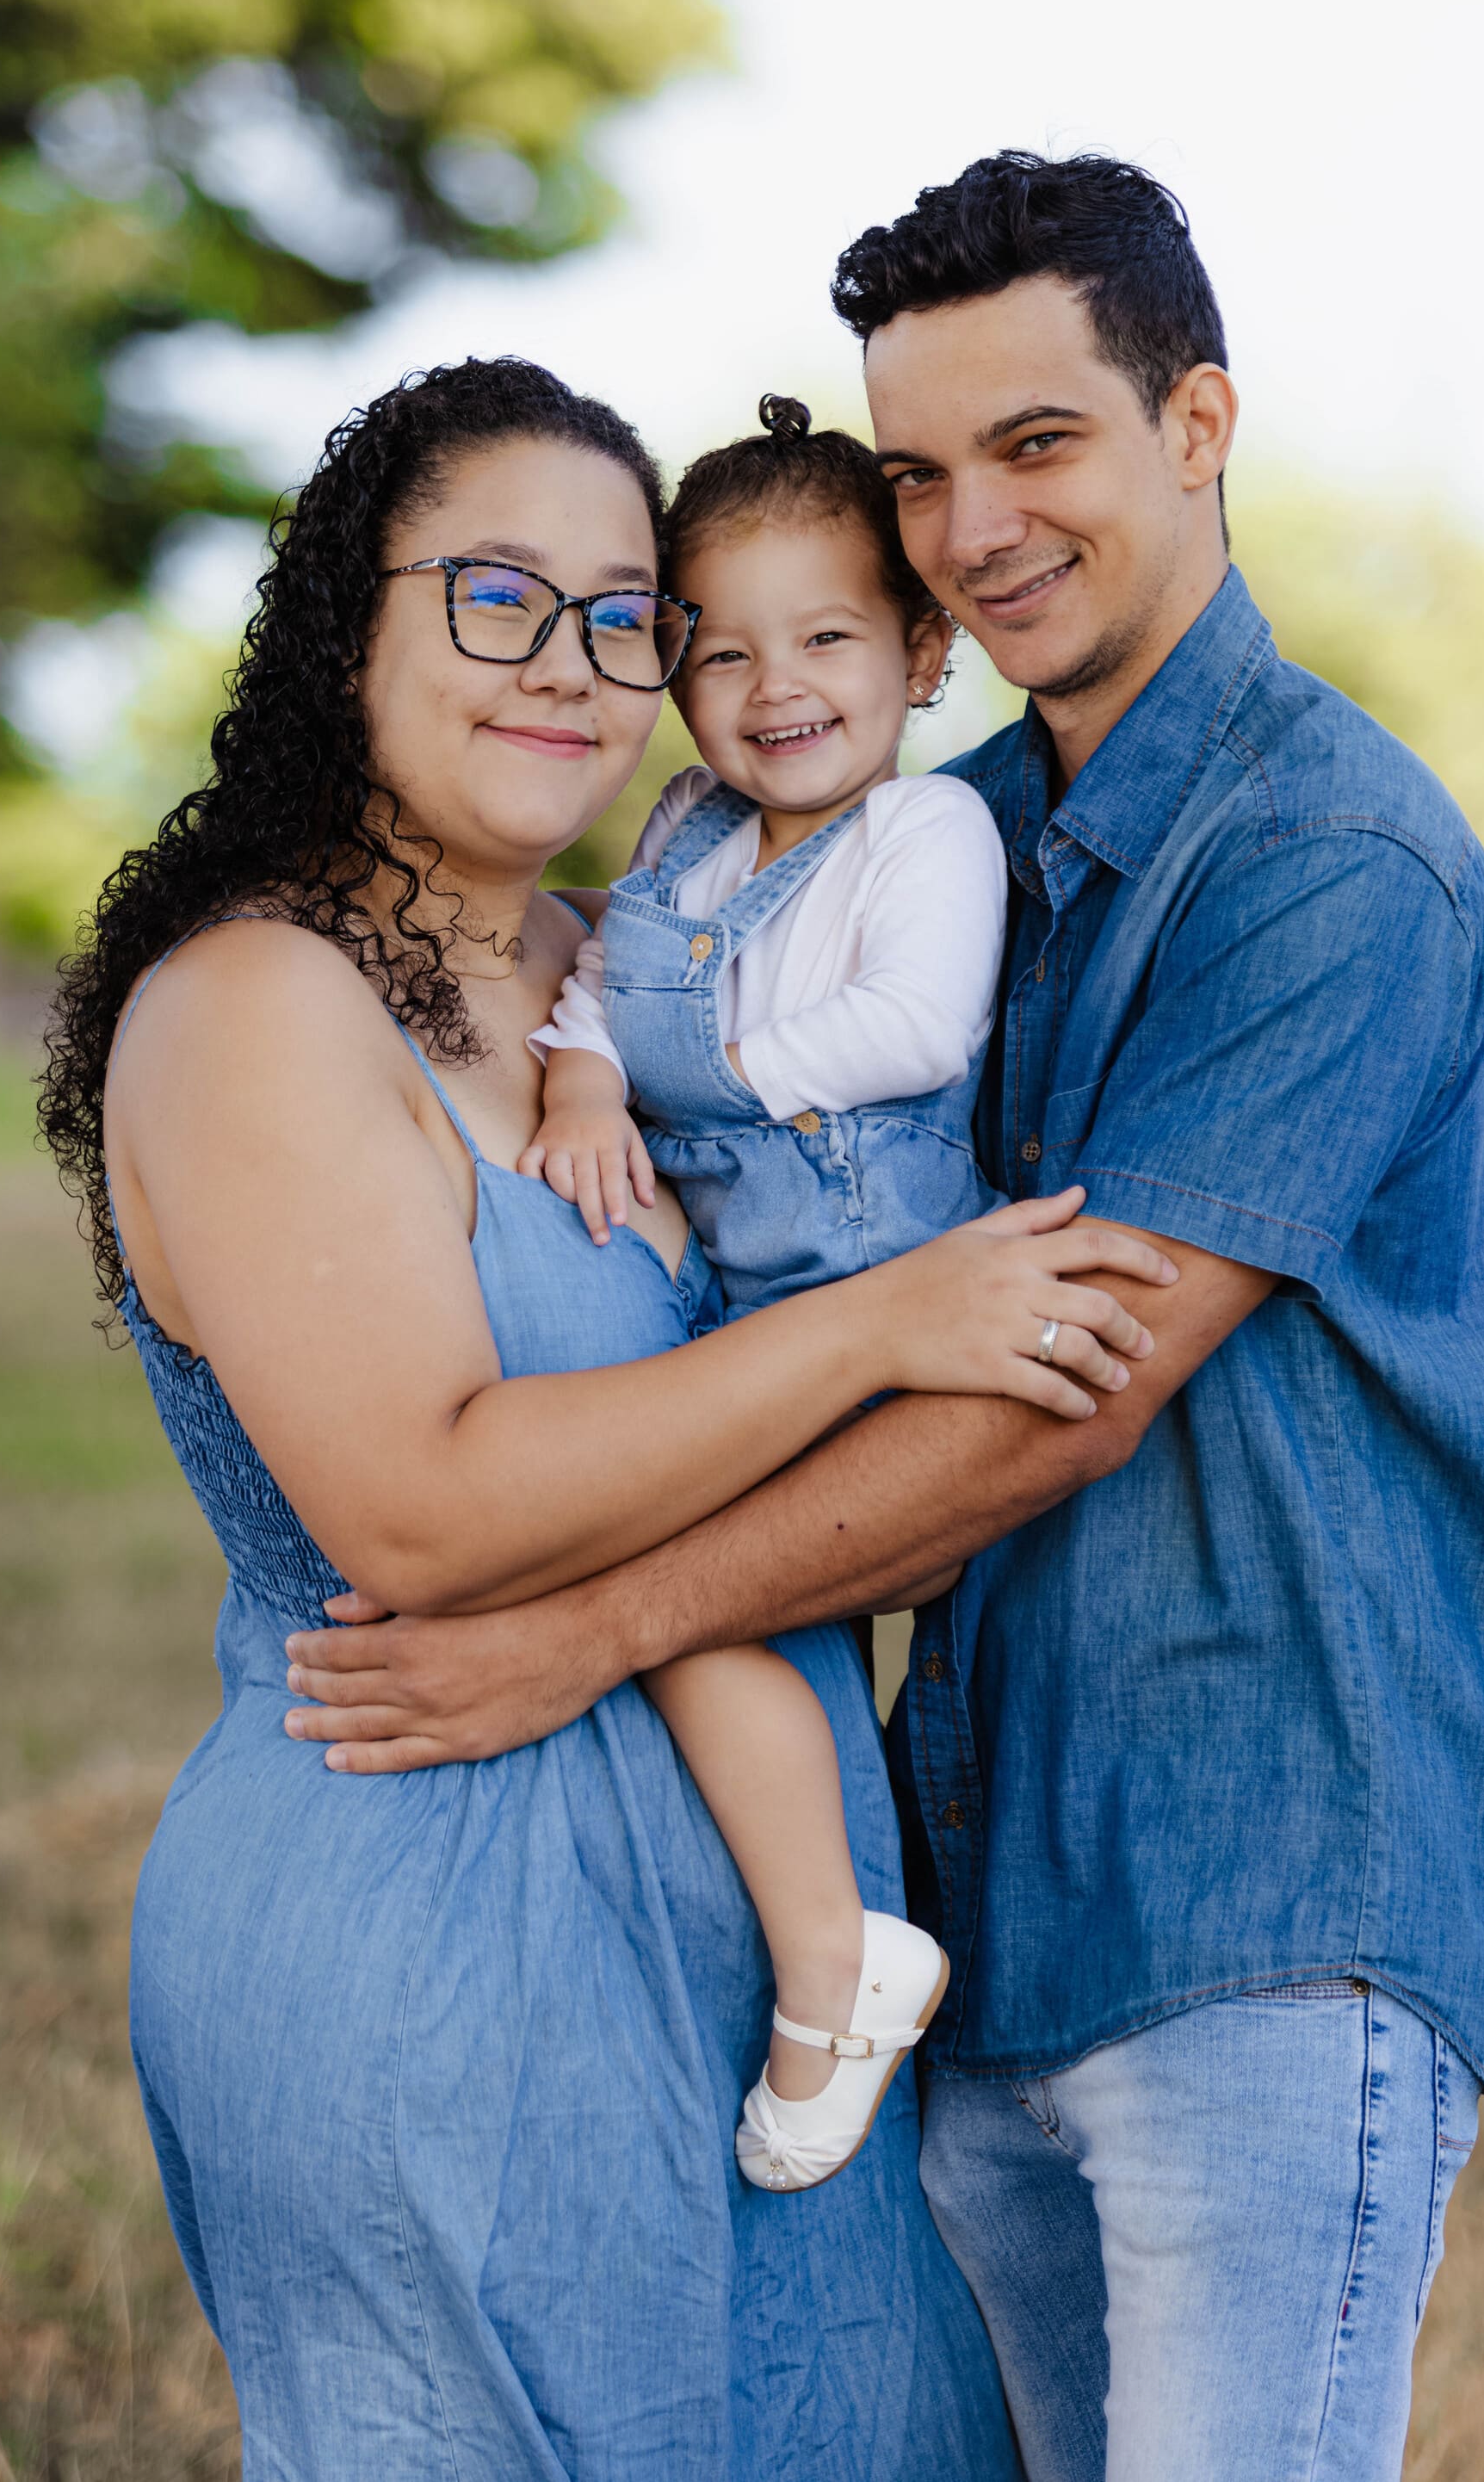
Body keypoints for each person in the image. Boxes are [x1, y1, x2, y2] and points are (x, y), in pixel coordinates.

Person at [288, 158, 1484, 2482]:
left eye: (1036, 443)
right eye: (916, 472)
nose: (966, 522)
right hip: (985, 1878)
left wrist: (586, 1620)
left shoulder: (1322, 862)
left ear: (1195, 422)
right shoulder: (909, 826)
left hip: (1262, 1889)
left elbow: (1053, 1397)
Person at [39, 352, 1173, 2476]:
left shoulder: (641, 969)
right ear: (343, 627)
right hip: (441, 1929)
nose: (570, 662)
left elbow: (882, 1513)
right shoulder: (253, 1003)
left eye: (620, 610)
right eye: (492, 595)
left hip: (785, 1951)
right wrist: (875, 1333)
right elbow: (429, 1512)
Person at [523, 392, 1080, 2193]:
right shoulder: (690, 834)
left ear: (923, 653)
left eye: (829, 636)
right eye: (723, 650)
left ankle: (837, 1962)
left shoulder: (924, 835)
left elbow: (915, 1023)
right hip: (751, 1312)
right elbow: (606, 987)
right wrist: (594, 1077)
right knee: (699, 1599)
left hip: (881, 1294)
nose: (778, 686)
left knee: (696, 1597)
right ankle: (810, 1933)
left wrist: (710, 1078)